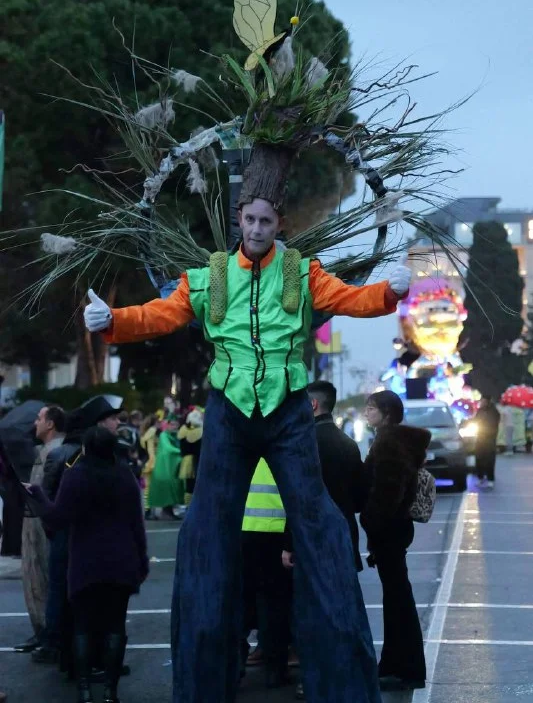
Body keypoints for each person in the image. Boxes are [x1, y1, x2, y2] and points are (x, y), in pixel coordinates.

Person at [84, 190, 410, 702]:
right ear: (239, 220)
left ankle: (341, 680)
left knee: (320, 523)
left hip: (287, 408)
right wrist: (115, 321)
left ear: (280, 224)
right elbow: (162, 314)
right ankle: (203, 682)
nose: (257, 229)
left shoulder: (302, 273)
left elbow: (349, 298)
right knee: (207, 529)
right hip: (229, 410)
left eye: (266, 220)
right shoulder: (209, 277)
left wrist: (388, 293)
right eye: (250, 219)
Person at [27, 426, 149, 703]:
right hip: (121, 559)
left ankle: (84, 691)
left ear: (86, 449)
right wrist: (141, 562)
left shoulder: (76, 476)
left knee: (83, 627)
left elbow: (57, 518)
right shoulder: (124, 476)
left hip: (85, 561)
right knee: (116, 627)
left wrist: (37, 494)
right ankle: (110, 692)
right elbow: (137, 524)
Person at [282, 380, 367, 701]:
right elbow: (360, 498)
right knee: (343, 609)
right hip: (343, 536)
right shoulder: (348, 443)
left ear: (313, 405)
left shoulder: (304, 443)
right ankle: (347, 674)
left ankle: (314, 678)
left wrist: (288, 543)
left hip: (311, 539)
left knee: (312, 612)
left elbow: (297, 498)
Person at [32, 395, 123, 667]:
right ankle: (63, 649)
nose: (118, 423)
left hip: (87, 537)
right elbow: (50, 497)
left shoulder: (106, 452)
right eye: (112, 418)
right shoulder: (72, 455)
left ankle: (75, 654)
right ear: (98, 423)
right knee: (68, 593)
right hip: (71, 536)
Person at [361, 390, 429, 692]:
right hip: (395, 530)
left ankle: (404, 668)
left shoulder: (388, 442)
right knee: (396, 598)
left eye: (371, 408)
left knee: (398, 599)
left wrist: (370, 521)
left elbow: (388, 492)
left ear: (387, 413)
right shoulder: (392, 439)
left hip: (389, 530)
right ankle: (396, 665)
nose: (366, 412)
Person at [16, 406, 65, 654]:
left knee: (42, 577)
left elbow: (48, 490)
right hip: (35, 520)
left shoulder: (54, 451)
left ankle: (48, 633)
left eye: (39, 418)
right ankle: (44, 632)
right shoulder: (45, 450)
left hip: (42, 523)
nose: (35, 423)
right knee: (36, 577)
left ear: (50, 424)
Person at [241, 458, 292, 690]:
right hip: (275, 534)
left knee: (242, 602)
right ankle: (275, 669)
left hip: (245, 533)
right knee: (274, 606)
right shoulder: (282, 455)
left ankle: (235, 666)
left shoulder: (243, 454)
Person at [177, 407, 203, 507]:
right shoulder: (200, 431)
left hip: (185, 461)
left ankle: (188, 506)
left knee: (188, 486)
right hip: (196, 461)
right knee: (195, 485)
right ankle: (193, 506)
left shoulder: (183, 429)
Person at [473, 396, 501, 488]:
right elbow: (475, 420)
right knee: (479, 459)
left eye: (484, 401)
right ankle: (480, 477)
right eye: (481, 401)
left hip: (490, 440)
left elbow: (494, 424)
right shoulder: (480, 411)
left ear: (488, 402)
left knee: (489, 460)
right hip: (480, 439)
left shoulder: (494, 412)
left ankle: (490, 479)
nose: (482, 403)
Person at [140, 415, 159, 518]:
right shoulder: (152, 431)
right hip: (152, 461)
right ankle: (150, 511)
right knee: (152, 487)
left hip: (145, 461)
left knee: (147, 487)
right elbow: (151, 448)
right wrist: (153, 461)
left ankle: (147, 510)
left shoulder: (144, 433)